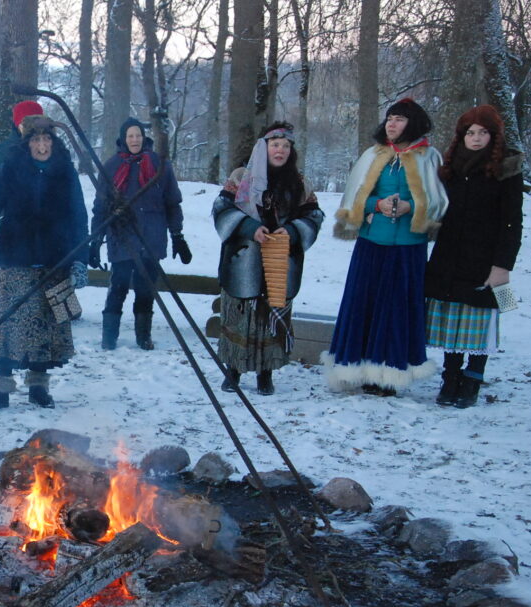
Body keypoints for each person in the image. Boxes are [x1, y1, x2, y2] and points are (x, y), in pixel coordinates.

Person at [0, 114, 88, 414]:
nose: (41, 145)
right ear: (27, 144)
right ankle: (0, 391)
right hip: (16, 257)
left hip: (55, 258)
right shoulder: (12, 168)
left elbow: (79, 217)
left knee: (46, 325)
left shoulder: (65, 171)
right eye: (36, 140)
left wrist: (80, 260)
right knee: (9, 324)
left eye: (46, 139)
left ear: (54, 141)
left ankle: (38, 387)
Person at [325, 98, 448, 396]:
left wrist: (411, 205)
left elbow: (439, 200)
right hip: (372, 243)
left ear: (413, 123)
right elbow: (354, 196)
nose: (392, 124)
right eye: (390, 118)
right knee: (364, 304)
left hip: (408, 247)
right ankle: (357, 368)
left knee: (396, 308)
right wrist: (376, 204)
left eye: (400, 119)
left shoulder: (428, 156)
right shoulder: (373, 154)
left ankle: (388, 374)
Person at [211, 122, 323, 394]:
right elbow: (221, 208)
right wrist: (250, 228)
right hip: (243, 260)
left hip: (279, 263)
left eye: (286, 146)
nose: (280, 150)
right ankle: (233, 370)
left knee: (269, 319)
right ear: (264, 147)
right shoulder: (241, 178)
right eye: (275, 145)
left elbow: (314, 215)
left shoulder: (299, 183)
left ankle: (266, 373)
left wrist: (292, 231)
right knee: (240, 318)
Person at [424, 105, 523, 408]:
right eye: (470, 132)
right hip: (450, 254)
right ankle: (450, 377)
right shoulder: (451, 166)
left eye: (483, 133)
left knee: (480, 320)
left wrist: (502, 266)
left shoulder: (506, 168)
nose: (476, 138)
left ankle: (473, 379)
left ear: (493, 136)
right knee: (453, 317)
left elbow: (512, 222)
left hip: (485, 258)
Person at [90, 117, 190, 351]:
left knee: (146, 288)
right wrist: (95, 239)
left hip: (151, 237)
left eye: (138, 135)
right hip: (122, 236)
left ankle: (143, 335)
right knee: (119, 286)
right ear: (123, 139)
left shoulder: (159, 164)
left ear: (144, 138)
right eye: (130, 136)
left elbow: (172, 202)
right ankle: (109, 336)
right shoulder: (112, 166)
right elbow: (100, 206)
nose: (134, 140)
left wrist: (178, 235)